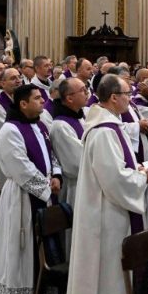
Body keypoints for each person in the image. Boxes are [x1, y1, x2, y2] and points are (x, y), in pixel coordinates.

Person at [65, 74, 148, 294]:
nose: (130, 98)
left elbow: (118, 167)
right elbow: (115, 179)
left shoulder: (110, 124)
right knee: (109, 275)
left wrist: (136, 169)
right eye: (127, 94)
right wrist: (142, 177)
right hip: (107, 214)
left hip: (111, 210)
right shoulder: (104, 131)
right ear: (114, 97)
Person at [0, 84, 63, 294]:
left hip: (44, 194)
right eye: (37, 98)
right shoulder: (10, 130)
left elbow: (51, 155)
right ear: (23, 104)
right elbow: (19, 166)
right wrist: (46, 187)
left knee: (46, 249)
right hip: (21, 197)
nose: (43, 101)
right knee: (21, 249)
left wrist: (56, 175)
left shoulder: (41, 125)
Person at [47, 77, 88, 208]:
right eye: (82, 90)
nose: (87, 93)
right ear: (69, 98)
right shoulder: (60, 126)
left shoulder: (79, 117)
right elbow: (75, 164)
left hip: (86, 183)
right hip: (75, 187)